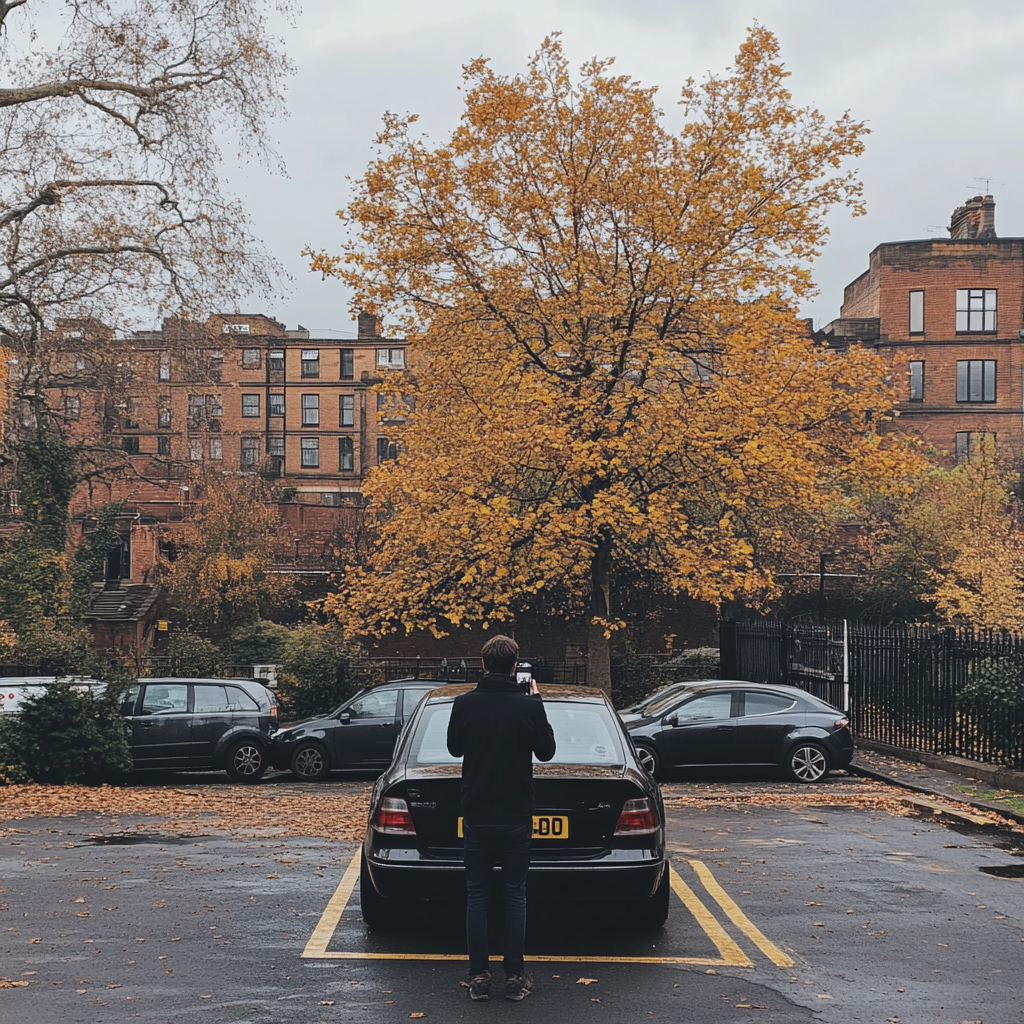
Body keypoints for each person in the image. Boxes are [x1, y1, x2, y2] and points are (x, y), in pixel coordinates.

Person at [446, 634, 556, 1002]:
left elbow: (454, 748)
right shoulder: (528, 707)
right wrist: (536, 701)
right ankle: (514, 976)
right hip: (516, 814)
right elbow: (547, 752)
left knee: (476, 895)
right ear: (515, 667)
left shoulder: (464, 704)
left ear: (482, 665)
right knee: (514, 895)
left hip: (477, 812)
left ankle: (479, 976)